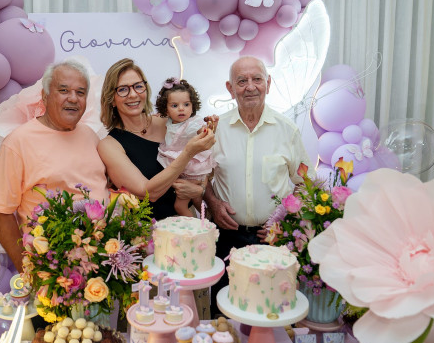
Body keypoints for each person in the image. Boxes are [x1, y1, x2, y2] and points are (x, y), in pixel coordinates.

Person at [203, 56, 311, 317]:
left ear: (268, 84)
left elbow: (305, 185)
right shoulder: (216, 130)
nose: (250, 87)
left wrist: (285, 221)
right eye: (242, 81)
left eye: (257, 79)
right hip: (227, 239)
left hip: (274, 240)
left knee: (274, 315)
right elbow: (201, 179)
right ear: (230, 88)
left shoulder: (287, 130)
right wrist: (214, 204)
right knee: (226, 317)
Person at [0, 59, 108, 273]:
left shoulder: (90, 135)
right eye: (64, 90)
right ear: (45, 96)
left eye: (80, 92)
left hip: (103, 262)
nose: (73, 98)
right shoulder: (18, 142)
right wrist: (27, 269)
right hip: (54, 270)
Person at [97, 58, 215, 220]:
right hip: (150, 231)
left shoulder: (170, 123)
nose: (133, 94)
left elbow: (202, 166)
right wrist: (188, 152)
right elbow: (148, 193)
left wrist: (200, 188)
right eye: (123, 89)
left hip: (189, 224)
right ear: (111, 99)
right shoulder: (109, 145)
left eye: (138, 86)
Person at [155, 78, 216, 216]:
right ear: (166, 109)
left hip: (191, 170)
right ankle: (206, 220)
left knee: (180, 206)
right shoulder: (169, 121)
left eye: (186, 104)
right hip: (182, 167)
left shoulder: (192, 124)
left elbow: (203, 132)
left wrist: (209, 128)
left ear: (193, 106)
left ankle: (199, 227)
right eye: (174, 105)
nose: (181, 108)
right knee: (197, 202)